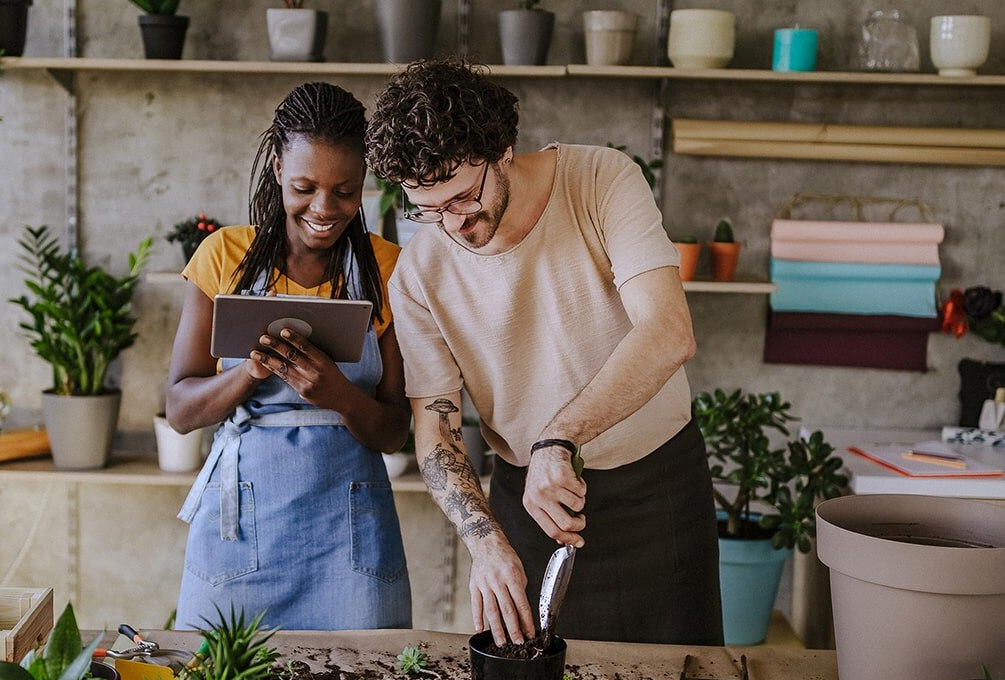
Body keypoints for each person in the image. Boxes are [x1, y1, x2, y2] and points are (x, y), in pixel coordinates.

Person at [365, 59, 721, 647]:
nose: (451, 225)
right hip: (528, 509)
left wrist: (560, 437)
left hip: (658, 493)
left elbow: (668, 332)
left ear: (502, 147)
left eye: (462, 199)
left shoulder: (601, 180)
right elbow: (436, 430)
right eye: (426, 210)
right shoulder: (418, 275)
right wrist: (485, 542)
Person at [167, 82, 412, 631]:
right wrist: (249, 375)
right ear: (277, 169)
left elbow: (394, 430)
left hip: (348, 540)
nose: (324, 209)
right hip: (243, 538)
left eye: (346, 191)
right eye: (304, 186)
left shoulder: (388, 268)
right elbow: (181, 410)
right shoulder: (224, 257)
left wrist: (340, 396)